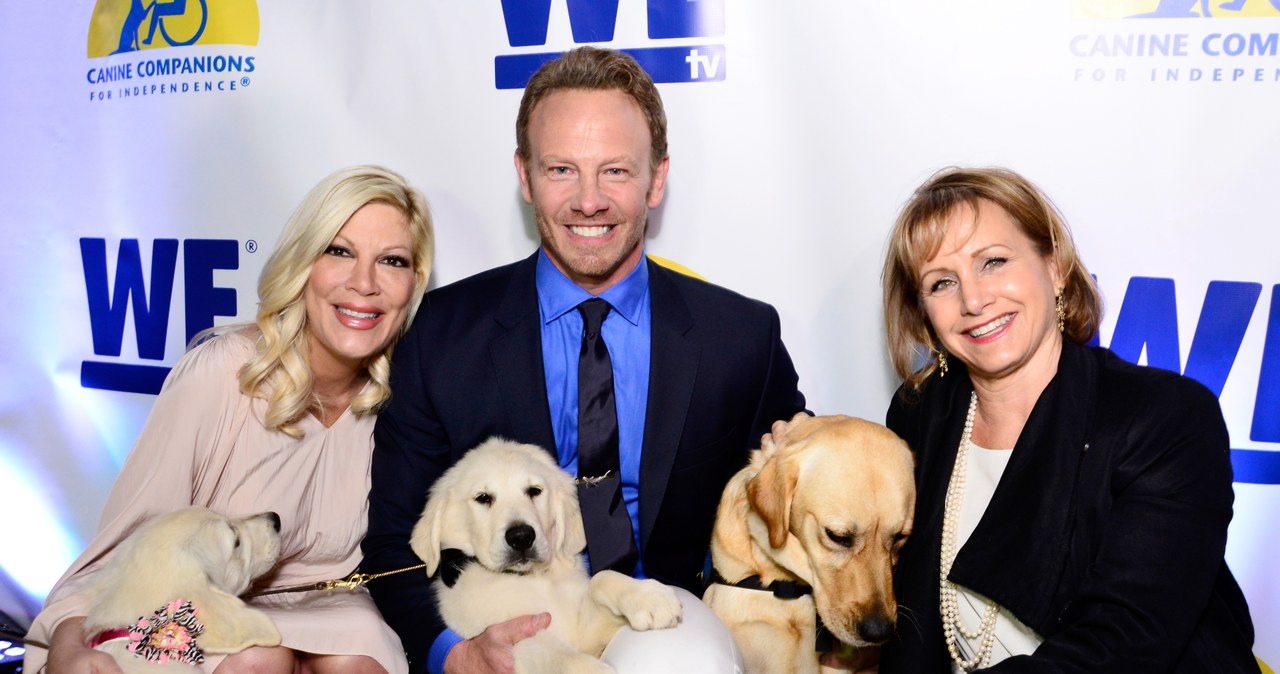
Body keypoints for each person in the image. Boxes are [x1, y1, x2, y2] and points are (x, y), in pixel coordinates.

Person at [361, 46, 807, 674]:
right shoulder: (440, 335)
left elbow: (800, 483)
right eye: (562, 169)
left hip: (657, 611)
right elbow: (392, 542)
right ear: (525, 175)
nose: (589, 201)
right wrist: (451, 653)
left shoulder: (739, 336)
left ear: (656, 179)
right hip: (501, 625)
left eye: (616, 172)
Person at [26, 165, 435, 674]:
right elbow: (125, 552)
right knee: (256, 657)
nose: (364, 283)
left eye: (391, 261)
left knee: (357, 661)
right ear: (304, 262)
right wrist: (71, 640)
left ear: (413, 283)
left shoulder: (412, 392)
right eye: (339, 251)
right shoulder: (223, 373)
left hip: (334, 608)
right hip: (202, 610)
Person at [876, 166, 1260, 672]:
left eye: (993, 261)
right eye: (942, 282)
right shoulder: (920, 414)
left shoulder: (1164, 419)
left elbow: (1122, 646)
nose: (973, 300)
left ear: (1054, 267)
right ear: (923, 313)